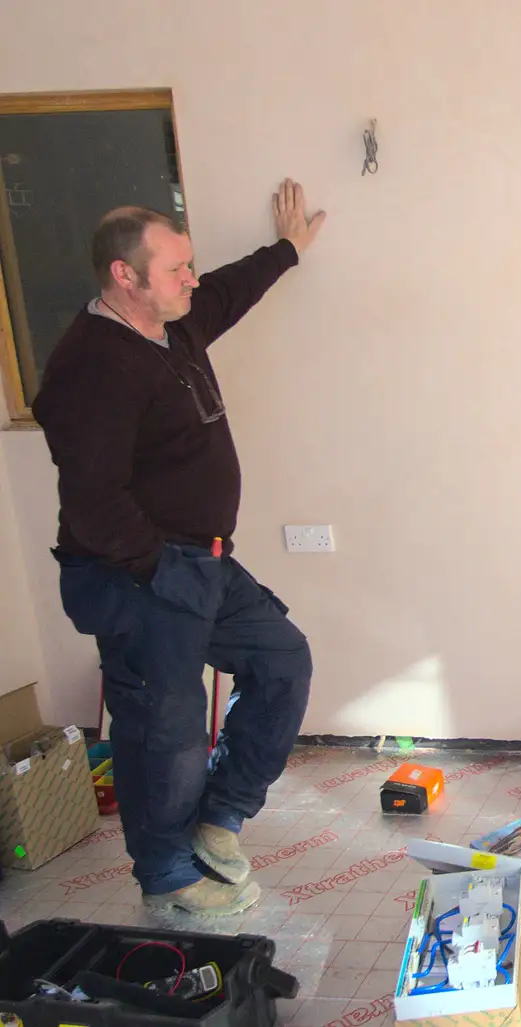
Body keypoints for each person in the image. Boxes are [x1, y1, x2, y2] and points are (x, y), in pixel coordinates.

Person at [31, 180, 326, 916]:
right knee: (163, 731)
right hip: (135, 574)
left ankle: (219, 819)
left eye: (188, 265)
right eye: (175, 269)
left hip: (204, 560)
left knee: (283, 661)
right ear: (123, 277)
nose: (191, 279)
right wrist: (163, 570)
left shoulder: (176, 323)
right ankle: (166, 873)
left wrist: (286, 250)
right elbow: (94, 502)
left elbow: (227, 291)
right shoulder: (91, 365)